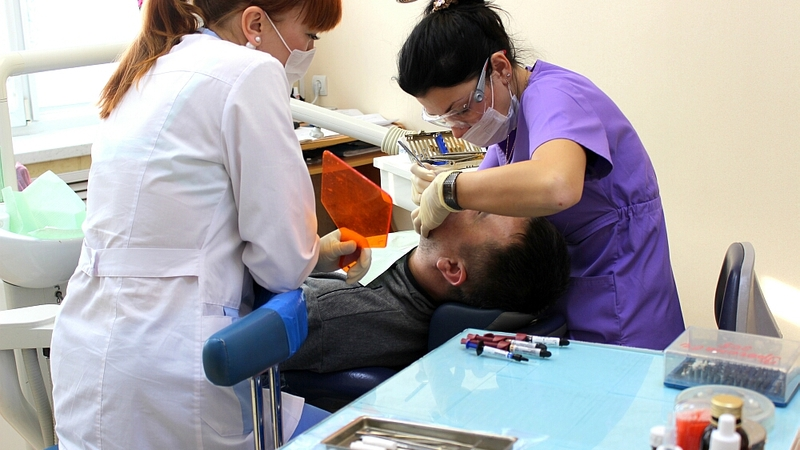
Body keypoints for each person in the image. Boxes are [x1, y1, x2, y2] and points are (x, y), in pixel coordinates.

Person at [49, 1, 368, 449]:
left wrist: (315, 252)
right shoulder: (249, 72)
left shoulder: (143, 71)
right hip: (176, 376)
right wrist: (304, 253)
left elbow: (180, 226)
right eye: (311, 36)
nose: (308, 49)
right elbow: (282, 266)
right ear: (255, 23)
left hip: (85, 365)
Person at [396, 0, 684, 350]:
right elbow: (483, 198)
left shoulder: (555, 96)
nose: (456, 131)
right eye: (443, 118)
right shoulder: (508, 125)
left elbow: (557, 185)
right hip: (575, 300)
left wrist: (451, 189)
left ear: (500, 67)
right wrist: (441, 185)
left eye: (461, 109)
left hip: (622, 304)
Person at [281, 213, 571, 373]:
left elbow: (253, 326)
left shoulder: (327, 313)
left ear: (451, 269)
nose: (468, 198)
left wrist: (300, 261)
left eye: (479, 213)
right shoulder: (427, 261)